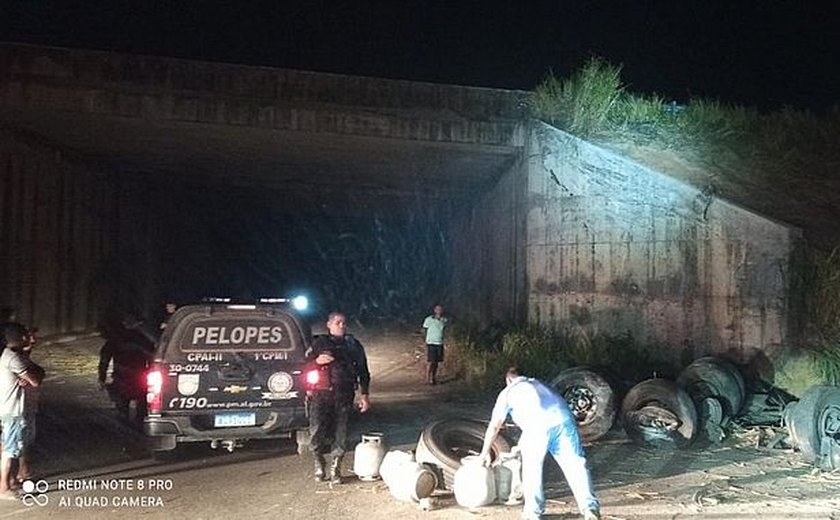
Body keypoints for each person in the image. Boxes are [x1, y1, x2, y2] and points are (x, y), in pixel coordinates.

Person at [478, 367, 600, 520]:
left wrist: (484, 453)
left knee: (532, 469)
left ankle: (533, 513)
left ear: (508, 380)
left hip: (537, 427)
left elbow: (495, 426)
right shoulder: (540, 384)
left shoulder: (508, 393)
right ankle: (590, 509)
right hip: (564, 422)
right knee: (575, 465)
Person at [305, 311, 371, 484]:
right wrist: (316, 362)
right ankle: (318, 460)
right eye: (337, 322)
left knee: (341, 432)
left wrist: (364, 395)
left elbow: (363, 371)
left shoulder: (353, 345)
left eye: (343, 322)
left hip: (344, 393)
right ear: (329, 324)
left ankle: (336, 467)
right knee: (316, 430)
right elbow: (302, 367)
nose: (341, 325)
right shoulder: (319, 343)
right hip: (320, 394)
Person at [0, 323, 44, 500]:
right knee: (10, 450)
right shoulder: (13, 358)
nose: (29, 339)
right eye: (26, 336)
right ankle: (4, 487)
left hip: (12, 409)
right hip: (13, 410)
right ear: (20, 338)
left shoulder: (11, 356)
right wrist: (33, 375)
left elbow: (38, 373)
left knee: (13, 448)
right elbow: (35, 379)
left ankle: (11, 482)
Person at [98, 313, 155, 426]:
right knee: (141, 399)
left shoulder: (115, 339)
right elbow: (152, 356)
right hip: (140, 374)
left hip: (122, 374)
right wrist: (151, 371)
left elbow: (105, 359)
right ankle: (139, 421)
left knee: (123, 399)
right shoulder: (143, 338)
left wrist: (102, 377)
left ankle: (124, 419)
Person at [421, 304, 448, 385]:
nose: (439, 311)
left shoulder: (444, 320)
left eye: (440, 309)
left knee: (437, 362)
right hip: (431, 342)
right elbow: (423, 330)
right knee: (431, 361)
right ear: (434, 310)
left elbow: (445, 330)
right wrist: (425, 340)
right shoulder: (429, 319)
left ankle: (433, 377)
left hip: (439, 343)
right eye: (437, 309)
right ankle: (428, 377)